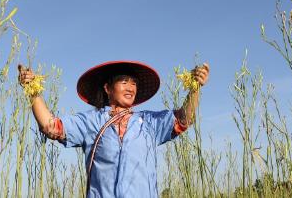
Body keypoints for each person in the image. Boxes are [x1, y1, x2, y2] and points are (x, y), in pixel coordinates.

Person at [18, 60, 209, 198]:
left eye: (134, 83)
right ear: (108, 88)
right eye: (124, 82)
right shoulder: (91, 122)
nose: (131, 87)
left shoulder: (149, 122)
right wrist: (32, 89)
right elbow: (50, 126)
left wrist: (195, 88)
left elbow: (183, 119)